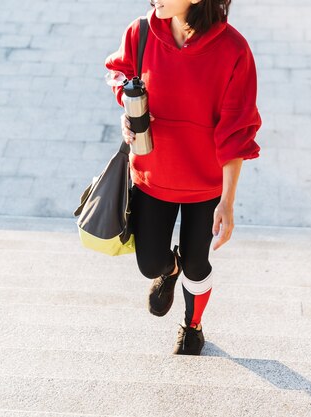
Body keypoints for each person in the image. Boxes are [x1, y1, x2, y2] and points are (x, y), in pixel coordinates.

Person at [105, 0, 262, 355]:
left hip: (205, 184)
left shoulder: (234, 51)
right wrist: (126, 111)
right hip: (152, 173)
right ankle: (168, 268)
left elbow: (237, 132)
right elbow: (119, 73)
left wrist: (228, 201)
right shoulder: (141, 32)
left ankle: (193, 326)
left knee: (197, 262)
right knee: (149, 264)